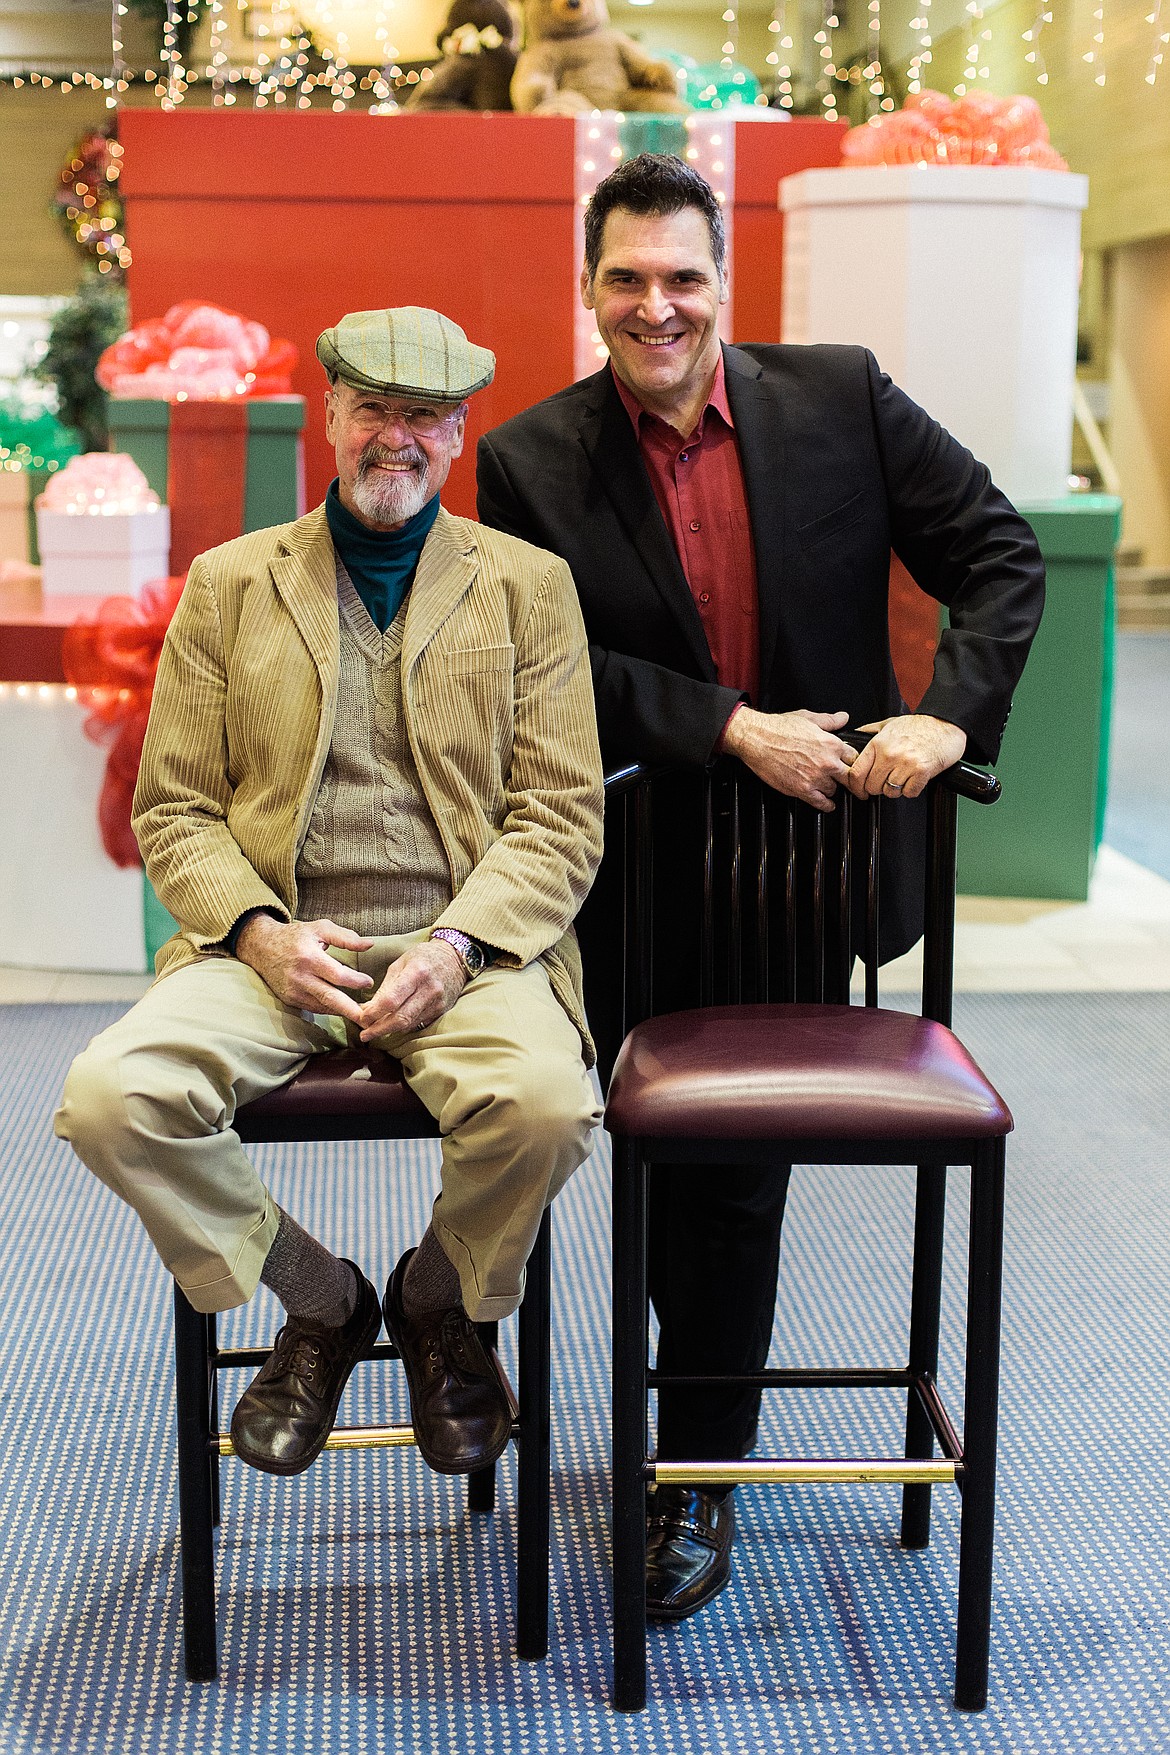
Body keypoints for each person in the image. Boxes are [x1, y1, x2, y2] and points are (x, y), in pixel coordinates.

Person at [476, 155, 1045, 1618]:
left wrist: (948, 713)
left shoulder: (841, 395)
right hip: (641, 874)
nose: (654, 306)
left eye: (680, 277)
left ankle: (699, 1463)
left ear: (724, 283)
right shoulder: (533, 458)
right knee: (673, 1166)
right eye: (625, 280)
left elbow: (995, 556)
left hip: (820, 878)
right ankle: (694, 1435)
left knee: (729, 1175)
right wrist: (724, 723)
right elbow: (541, 671)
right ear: (589, 290)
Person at [56, 305, 604, 1483]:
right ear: (331, 417)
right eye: (371, 410)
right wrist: (256, 933)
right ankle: (320, 1301)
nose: (392, 438)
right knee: (112, 1098)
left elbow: (561, 815)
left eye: (421, 416)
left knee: (549, 1108)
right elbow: (175, 808)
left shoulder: (529, 586)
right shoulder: (231, 584)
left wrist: (457, 946)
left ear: (459, 433)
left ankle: (433, 1299)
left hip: (470, 950)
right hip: (272, 949)